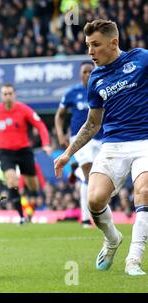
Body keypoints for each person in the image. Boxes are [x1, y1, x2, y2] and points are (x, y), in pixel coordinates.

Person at [54, 19, 148, 276]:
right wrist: (67, 153)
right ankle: (112, 239)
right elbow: (92, 124)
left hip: (145, 142)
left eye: (95, 45)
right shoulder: (96, 79)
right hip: (113, 144)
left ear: (114, 42)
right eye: (87, 46)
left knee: (145, 191)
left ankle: (134, 260)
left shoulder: (141, 59)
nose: (90, 52)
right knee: (95, 200)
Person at [0, 83, 52, 225]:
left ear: (14, 95)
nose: (8, 96)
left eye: (10, 93)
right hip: (6, 152)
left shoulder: (24, 109)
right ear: (1, 96)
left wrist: (46, 143)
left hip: (24, 151)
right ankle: (20, 216)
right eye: (5, 94)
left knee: (33, 186)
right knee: (12, 181)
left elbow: (40, 125)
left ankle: (31, 206)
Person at [55, 60, 102, 228]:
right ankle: (90, 218)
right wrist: (61, 135)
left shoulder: (102, 89)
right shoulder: (72, 93)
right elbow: (59, 115)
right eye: (84, 72)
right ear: (80, 74)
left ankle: (88, 217)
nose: (88, 75)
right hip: (80, 139)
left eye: (90, 71)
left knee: (96, 178)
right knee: (90, 173)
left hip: (101, 137)